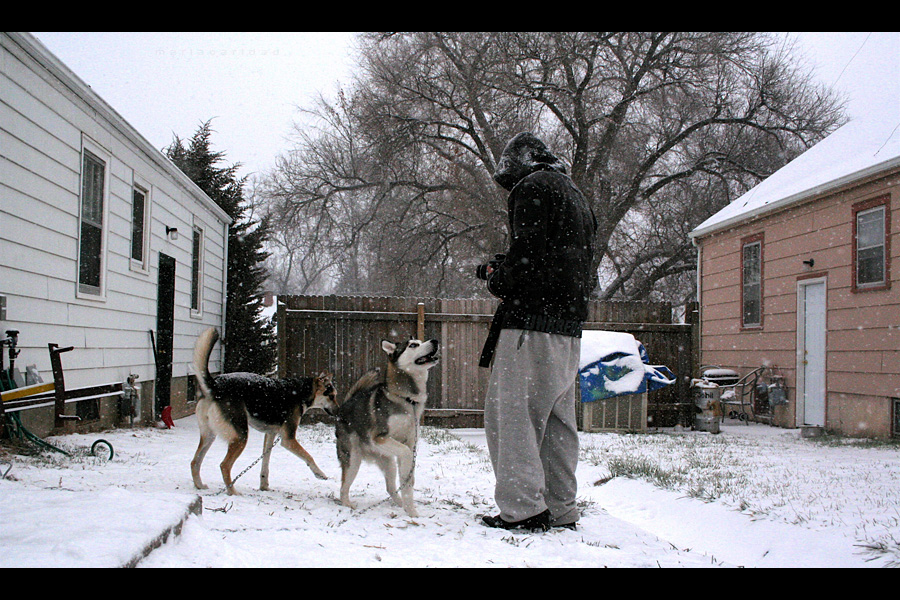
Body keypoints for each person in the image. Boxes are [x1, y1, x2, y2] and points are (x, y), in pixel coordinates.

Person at [476, 132, 597, 532]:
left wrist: (497, 276)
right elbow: (563, 262)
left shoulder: (532, 188)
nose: (510, 189)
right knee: (557, 423)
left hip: (531, 325)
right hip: (569, 328)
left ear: (519, 166)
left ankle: (523, 510)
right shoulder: (576, 196)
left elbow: (527, 261)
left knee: (513, 418)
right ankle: (561, 508)